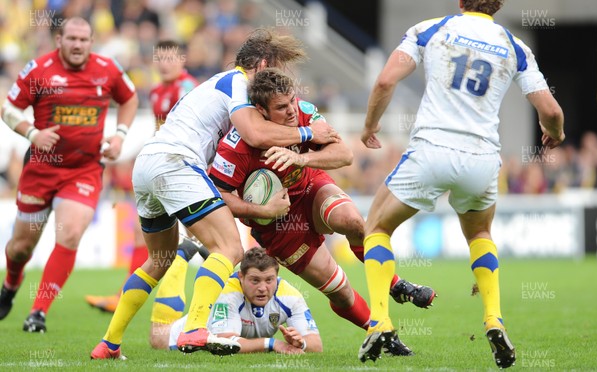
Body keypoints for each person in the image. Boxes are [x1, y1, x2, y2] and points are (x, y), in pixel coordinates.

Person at [90, 28, 339, 359]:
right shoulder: (236, 83)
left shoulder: (213, 87)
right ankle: (195, 327)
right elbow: (253, 133)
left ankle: (109, 342)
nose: (278, 78)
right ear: (262, 63)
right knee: (229, 247)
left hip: (149, 164)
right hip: (177, 163)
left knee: (159, 260)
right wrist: (309, 131)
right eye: (275, 68)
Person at [357, 0, 564, 367]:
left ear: (460, 0)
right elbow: (550, 111)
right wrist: (554, 133)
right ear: (498, 5)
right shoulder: (515, 47)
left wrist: (371, 125)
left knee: (376, 226)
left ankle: (379, 319)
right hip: (481, 159)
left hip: (432, 150)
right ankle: (493, 319)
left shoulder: (430, 28)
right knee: (481, 234)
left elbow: (387, 79)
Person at [209, 68, 436, 357]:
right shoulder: (236, 147)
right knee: (339, 291)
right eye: (281, 107)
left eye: (292, 100)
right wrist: (262, 209)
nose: (291, 110)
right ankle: (381, 333)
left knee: (353, 222)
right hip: (276, 226)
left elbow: (345, 154)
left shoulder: (304, 114)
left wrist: (301, 158)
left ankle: (395, 284)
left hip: (310, 190)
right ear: (260, 111)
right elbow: (218, 197)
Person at [0, 17, 139, 333]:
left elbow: (129, 98)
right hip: (40, 170)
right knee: (21, 247)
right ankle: (10, 284)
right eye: (72, 39)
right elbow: (8, 109)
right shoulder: (39, 70)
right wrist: (32, 133)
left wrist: (118, 135)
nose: (78, 45)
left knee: (71, 233)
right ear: (59, 40)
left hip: (84, 170)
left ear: (92, 41)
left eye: (84, 39)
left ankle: (38, 312)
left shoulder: (107, 69)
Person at [85, 40, 200, 313]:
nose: (164, 63)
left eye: (171, 58)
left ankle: (227, 295)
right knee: (143, 233)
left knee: (203, 239)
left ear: (182, 60)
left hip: (185, 169)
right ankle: (123, 295)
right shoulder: (158, 91)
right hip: (165, 169)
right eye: (159, 58)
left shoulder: (188, 89)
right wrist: (132, 156)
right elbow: (159, 134)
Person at [149, 247, 322, 354]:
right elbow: (227, 343)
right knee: (158, 337)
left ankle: (209, 258)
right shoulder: (228, 293)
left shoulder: (290, 296)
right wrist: (272, 343)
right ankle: (180, 258)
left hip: (236, 328)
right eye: (255, 280)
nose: (263, 287)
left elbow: (316, 344)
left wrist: (301, 343)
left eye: (269, 280)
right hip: (197, 329)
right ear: (241, 277)